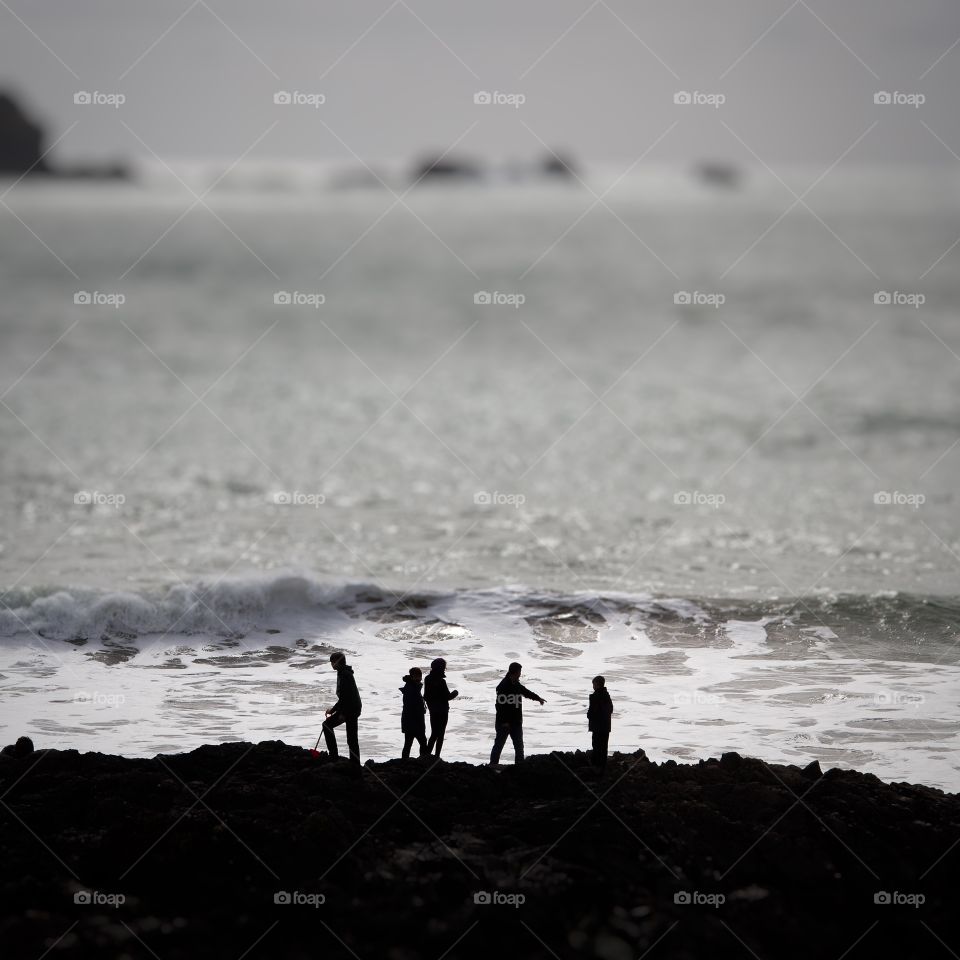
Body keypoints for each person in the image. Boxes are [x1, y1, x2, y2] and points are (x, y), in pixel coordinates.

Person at [489, 662, 545, 765]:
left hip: (516, 722)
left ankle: (519, 767)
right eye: (519, 672)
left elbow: (525, 692)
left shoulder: (516, 684)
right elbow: (499, 707)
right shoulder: (503, 686)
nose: (520, 674)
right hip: (504, 723)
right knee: (499, 745)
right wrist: (504, 722)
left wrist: (538, 698)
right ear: (515, 672)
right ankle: (493, 766)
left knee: (519, 747)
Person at [322, 652, 362, 766]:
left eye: (332, 662)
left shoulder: (345, 675)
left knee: (327, 725)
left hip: (350, 710)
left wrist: (339, 712)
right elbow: (345, 697)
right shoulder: (343, 672)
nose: (331, 664)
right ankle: (354, 764)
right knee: (352, 738)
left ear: (337, 662)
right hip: (352, 708)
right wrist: (334, 710)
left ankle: (335, 757)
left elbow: (346, 697)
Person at [424, 657, 458, 758]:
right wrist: (455, 693)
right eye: (444, 667)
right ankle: (437, 756)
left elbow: (426, 696)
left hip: (433, 710)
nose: (445, 669)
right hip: (442, 710)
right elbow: (448, 697)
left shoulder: (427, 679)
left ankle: (427, 755)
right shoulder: (441, 681)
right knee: (440, 734)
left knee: (434, 733)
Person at [399, 666, 428, 758]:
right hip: (414, 720)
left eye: (420, 675)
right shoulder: (412, 688)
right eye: (417, 676)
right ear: (412, 676)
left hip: (409, 720)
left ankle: (404, 761)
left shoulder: (412, 687)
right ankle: (422, 760)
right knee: (422, 742)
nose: (419, 677)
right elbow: (413, 706)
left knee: (408, 743)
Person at [587, 675, 613, 770]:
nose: (593, 686)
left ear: (597, 684)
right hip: (605, 726)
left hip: (598, 726)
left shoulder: (595, 696)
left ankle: (597, 766)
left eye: (593, 684)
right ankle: (602, 766)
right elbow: (610, 709)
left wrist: (589, 715)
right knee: (603, 746)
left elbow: (593, 711)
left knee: (597, 745)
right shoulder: (606, 695)